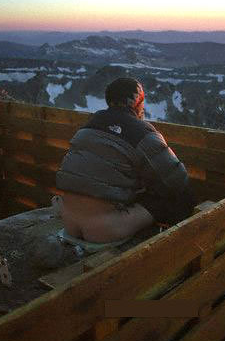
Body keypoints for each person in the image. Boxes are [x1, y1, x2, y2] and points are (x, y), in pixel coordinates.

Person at [55, 77, 196, 243]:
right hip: (106, 229)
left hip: (68, 221)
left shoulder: (88, 126)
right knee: (174, 200)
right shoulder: (142, 133)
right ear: (136, 101)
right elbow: (177, 181)